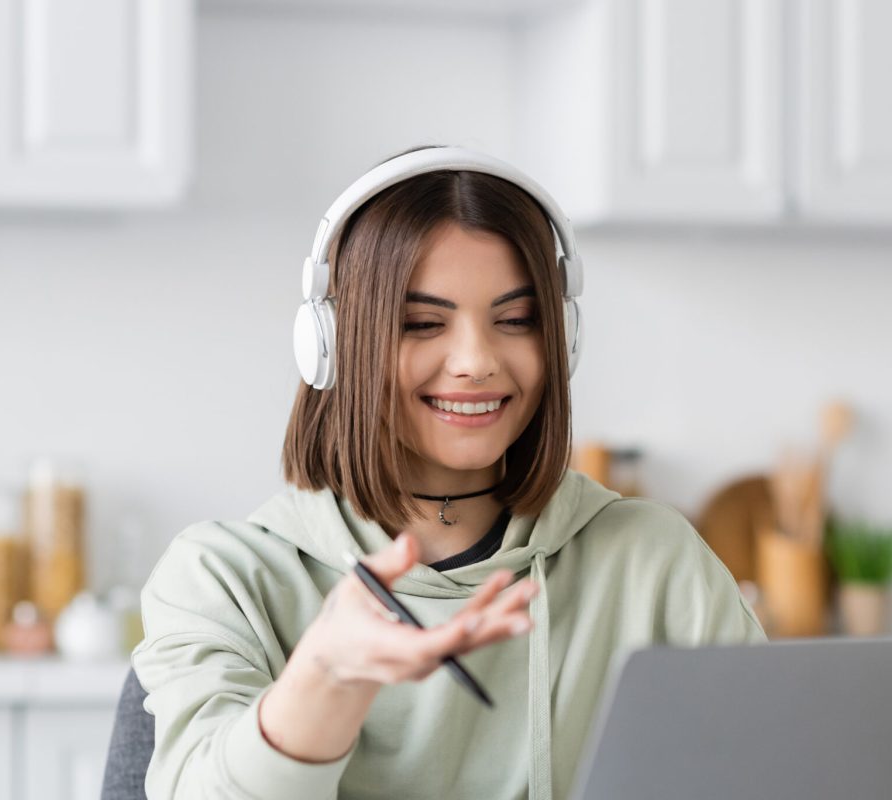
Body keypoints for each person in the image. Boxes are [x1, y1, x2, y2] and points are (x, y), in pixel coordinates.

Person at [131, 145, 766, 800]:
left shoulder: (653, 561)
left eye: (515, 320)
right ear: (331, 344)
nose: (475, 361)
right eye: (422, 323)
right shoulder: (224, 578)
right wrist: (323, 679)